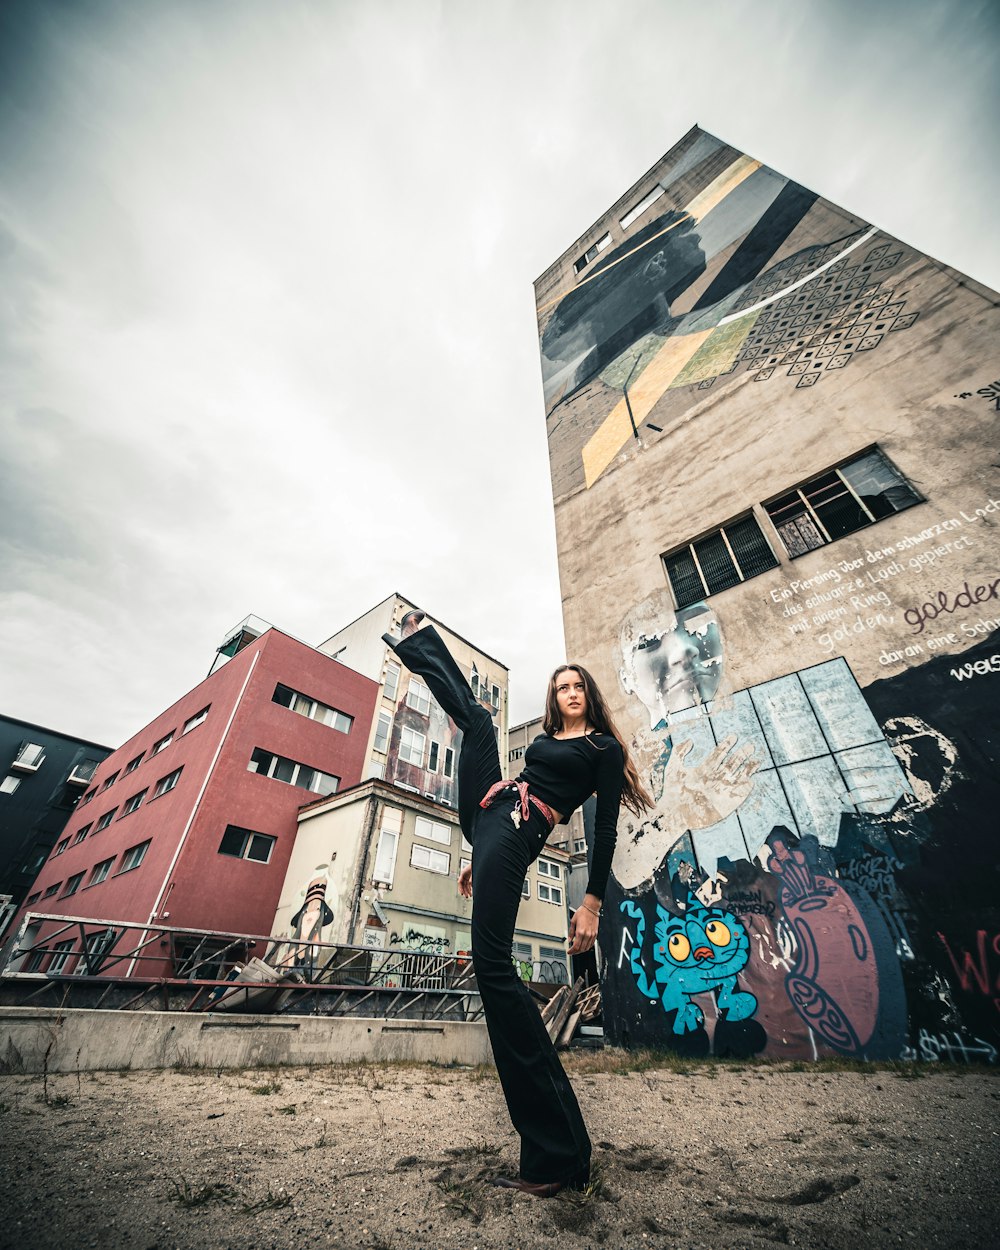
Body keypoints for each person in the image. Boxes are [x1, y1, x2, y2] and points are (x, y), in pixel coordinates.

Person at [382, 609, 651, 1197]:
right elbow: (502, 799)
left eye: (577, 685)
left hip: (521, 829)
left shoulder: (602, 749)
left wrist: (592, 903)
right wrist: (476, 854)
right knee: (478, 723)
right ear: (554, 700)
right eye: (561, 688)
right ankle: (416, 645)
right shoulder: (548, 741)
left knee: (495, 969)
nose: (570, 693)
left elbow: (602, 831)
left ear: (590, 695)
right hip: (490, 813)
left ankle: (557, 1155)